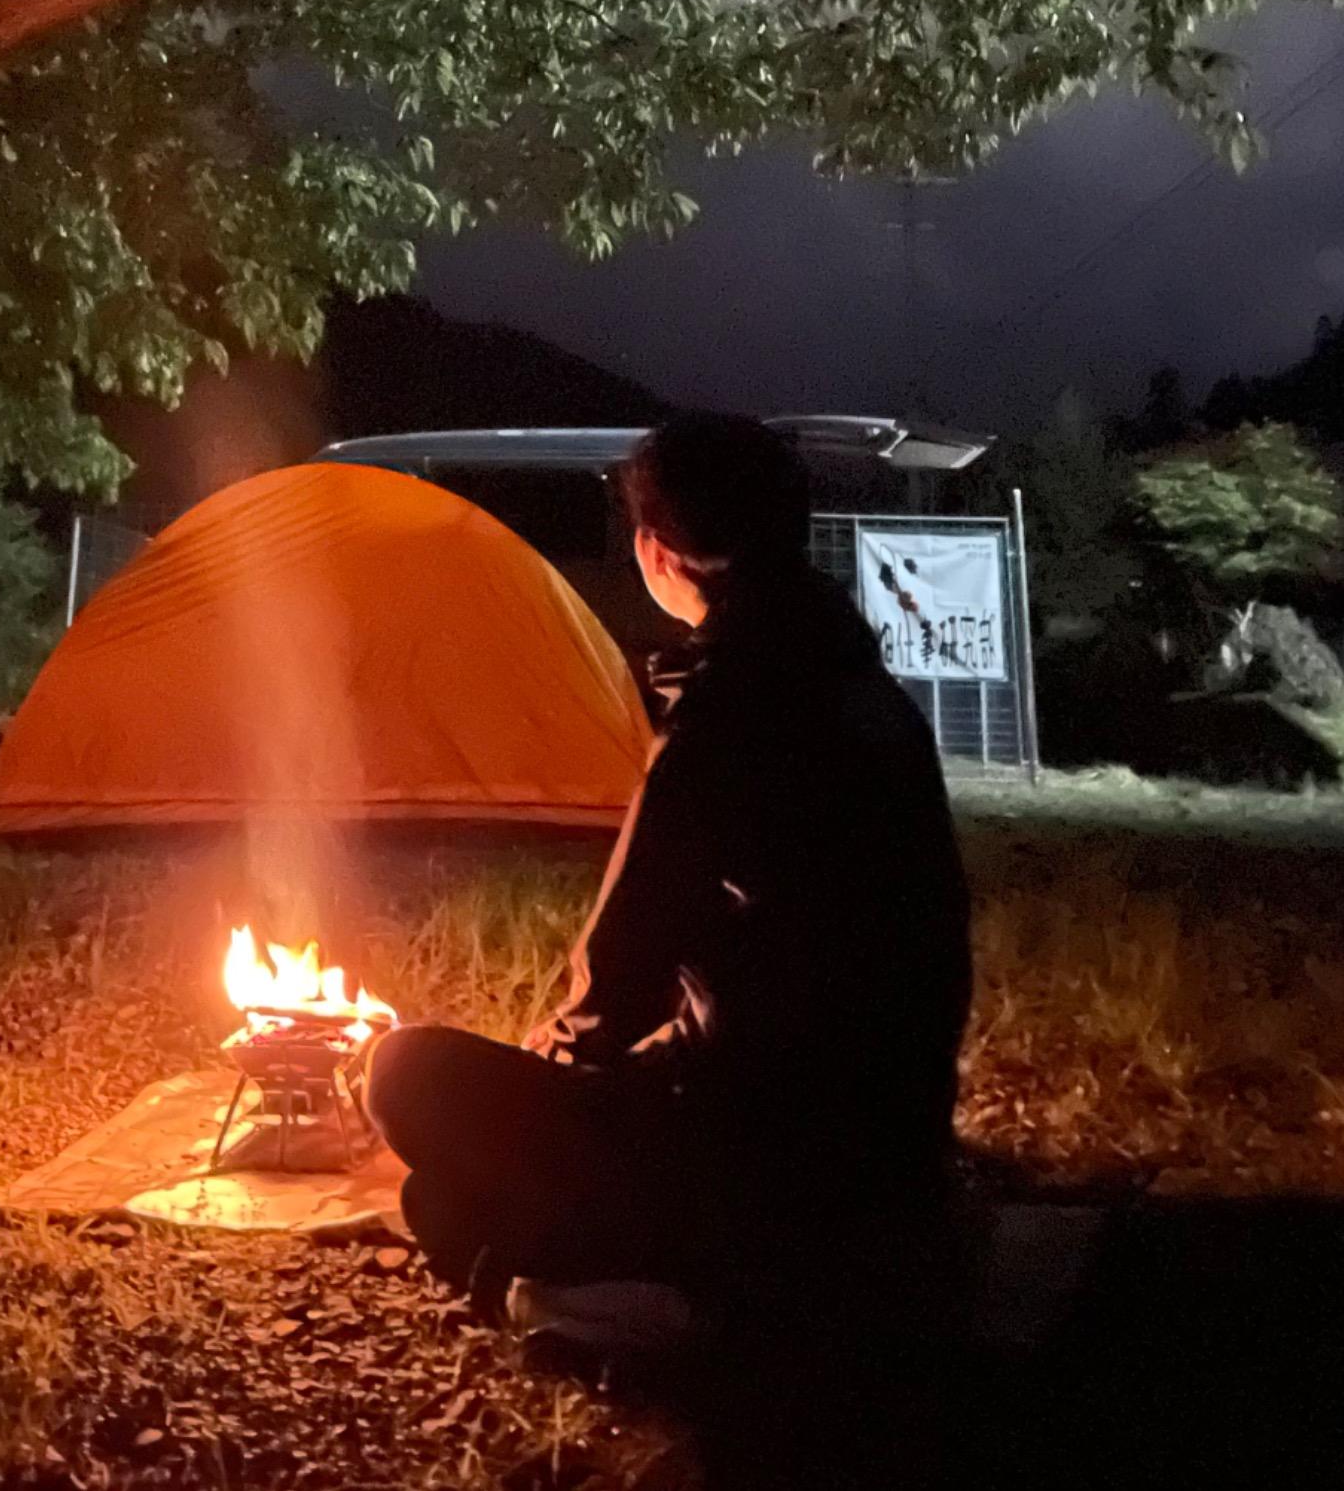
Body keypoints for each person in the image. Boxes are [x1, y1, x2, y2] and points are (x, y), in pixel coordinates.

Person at [363, 412, 973, 1351]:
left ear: (657, 551)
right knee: (446, 1188)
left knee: (404, 1074)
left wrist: (555, 1067)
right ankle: (659, 1268)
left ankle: (672, 1288)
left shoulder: (728, 710)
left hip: (758, 1159)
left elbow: (623, 966)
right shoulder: (861, 681)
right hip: (896, 1146)